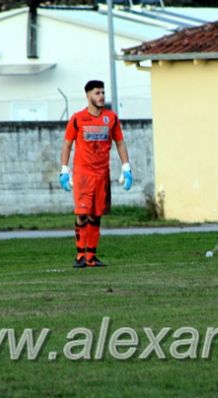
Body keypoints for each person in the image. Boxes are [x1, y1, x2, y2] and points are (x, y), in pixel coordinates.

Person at [59, 80, 133, 268]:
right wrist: (64, 170)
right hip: (83, 173)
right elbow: (67, 144)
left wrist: (126, 167)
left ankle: (91, 257)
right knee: (82, 213)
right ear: (88, 96)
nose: (101, 96)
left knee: (96, 214)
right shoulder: (77, 118)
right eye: (97, 93)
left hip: (102, 173)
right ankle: (79, 256)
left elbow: (120, 142)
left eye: (103, 92)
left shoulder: (111, 118)